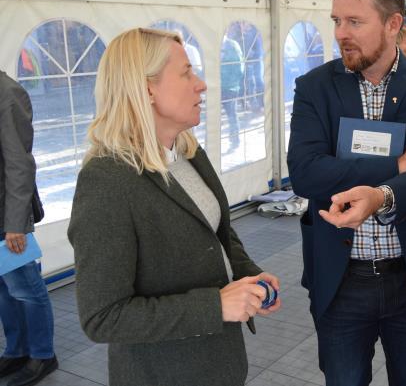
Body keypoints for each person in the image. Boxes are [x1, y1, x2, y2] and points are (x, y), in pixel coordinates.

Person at [67, 28, 281, 386]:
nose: (201, 85)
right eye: (186, 73)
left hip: (221, 364)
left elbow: (217, 234)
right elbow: (102, 317)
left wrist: (246, 275)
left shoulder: (188, 152)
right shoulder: (107, 181)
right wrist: (215, 306)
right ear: (147, 87)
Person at [287, 0, 406, 386]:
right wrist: (399, 165)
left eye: (355, 21)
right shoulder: (315, 87)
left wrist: (381, 196)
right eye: (336, 21)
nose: (341, 32)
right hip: (341, 280)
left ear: (393, 23)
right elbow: (306, 173)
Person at [0, 71, 57, 386]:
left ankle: (42, 354)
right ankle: (17, 350)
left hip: (7, 215)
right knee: (3, 291)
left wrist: (16, 225)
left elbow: (19, 164)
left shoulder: (8, 93)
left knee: (24, 287)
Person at [220, 36, 244, 153]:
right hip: (216, 87)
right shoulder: (213, 43)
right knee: (212, 116)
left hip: (230, 87)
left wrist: (232, 82)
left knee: (231, 114)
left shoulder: (232, 45)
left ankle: (235, 140)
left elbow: (240, 67)